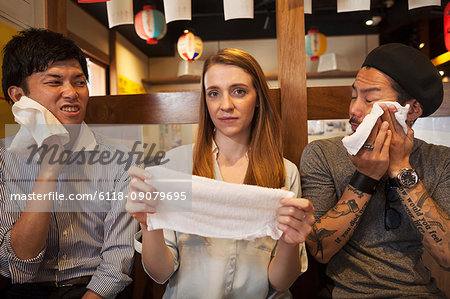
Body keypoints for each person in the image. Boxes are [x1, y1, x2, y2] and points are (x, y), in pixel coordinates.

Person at [127, 48, 315, 298]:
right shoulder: (176, 165)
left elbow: (280, 282)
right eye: (214, 93)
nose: (226, 105)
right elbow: (160, 273)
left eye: (239, 91)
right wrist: (148, 222)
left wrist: (291, 241)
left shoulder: (283, 171)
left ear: (258, 98)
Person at [302, 43, 449, 298]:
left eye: (369, 99)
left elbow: (447, 254)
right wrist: (366, 176)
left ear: (411, 109)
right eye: (353, 95)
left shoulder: (439, 160)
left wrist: (401, 168)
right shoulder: (322, 154)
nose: (354, 110)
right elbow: (319, 249)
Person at [0, 28, 137, 298]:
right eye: (54, 82)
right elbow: (18, 266)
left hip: (95, 291)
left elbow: (118, 258)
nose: (71, 93)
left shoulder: (120, 159)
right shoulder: (5, 160)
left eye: (79, 81)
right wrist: (51, 164)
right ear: (18, 97)